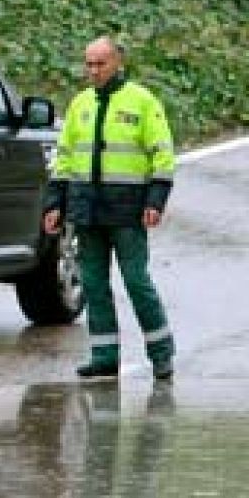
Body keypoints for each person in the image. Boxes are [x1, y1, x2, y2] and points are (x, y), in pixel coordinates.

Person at [43, 36, 177, 381]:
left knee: (136, 281)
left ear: (118, 63)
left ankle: (161, 353)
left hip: (127, 209)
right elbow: (65, 157)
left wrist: (155, 200)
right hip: (86, 208)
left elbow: (162, 154)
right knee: (92, 284)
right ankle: (104, 355)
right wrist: (55, 202)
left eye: (100, 63)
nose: (93, 70)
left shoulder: (143, 102)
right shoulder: (80, 105)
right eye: (88, 64)